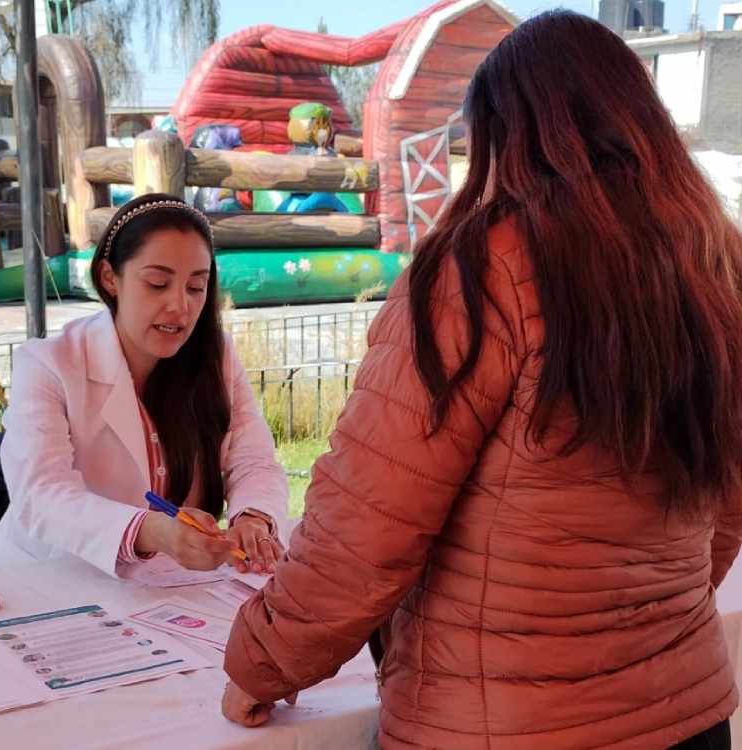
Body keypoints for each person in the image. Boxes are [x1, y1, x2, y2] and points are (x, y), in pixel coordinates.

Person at [221, 12, 742, 749]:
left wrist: (264, 661)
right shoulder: (716, 272)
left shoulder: (475, 274)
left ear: (504, 136)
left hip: (504, 727)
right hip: (687, 715)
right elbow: (725, 511)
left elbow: (367, 525)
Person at [0, 194, 289, 579]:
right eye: (158, 284)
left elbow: (253, 459)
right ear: (110, 278)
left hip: (158, 589)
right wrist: (151, 530)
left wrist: (253, 517)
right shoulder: (48, 364)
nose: (180, 306)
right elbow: (42, 497)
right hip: (42, 581)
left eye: (196, 287)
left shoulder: (215, 357)